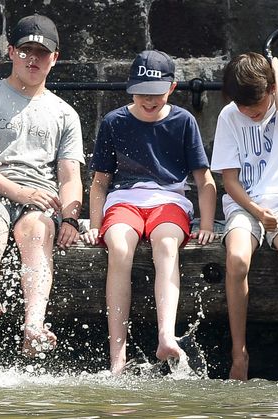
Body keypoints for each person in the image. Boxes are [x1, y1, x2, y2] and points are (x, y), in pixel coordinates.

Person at [81, 50, 217, 375]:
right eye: (142, 91)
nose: (148, 99)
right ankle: (117, 355)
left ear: (172, 87)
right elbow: (100, 183)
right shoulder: (115, 122)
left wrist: (207, 223)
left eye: (156, 93)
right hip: (124, 200)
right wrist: (95, 223)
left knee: (167, 244)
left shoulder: (183, 121)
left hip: (169, 200)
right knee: (119, 246)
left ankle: (166, 335)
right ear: (131, 88)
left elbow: (204, 178)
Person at [0, 14, 84, 357]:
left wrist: (71, 219)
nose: (33, 59)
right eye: (25, 50)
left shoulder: (64, 113)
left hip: (39, 196)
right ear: (11, 52)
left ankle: (33, 324)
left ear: (54, 58)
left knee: (38, 230)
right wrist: (19, 193)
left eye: (41, 53)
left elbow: (70, 176)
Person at [210, 52, 278, 383]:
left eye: (252, 106)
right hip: (245, 204)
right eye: (241, 106)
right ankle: (238, 353)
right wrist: (255, 211)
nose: (246, 113)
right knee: (237, 259)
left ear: (270, 89)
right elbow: (229, 180)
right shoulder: (229, 115)